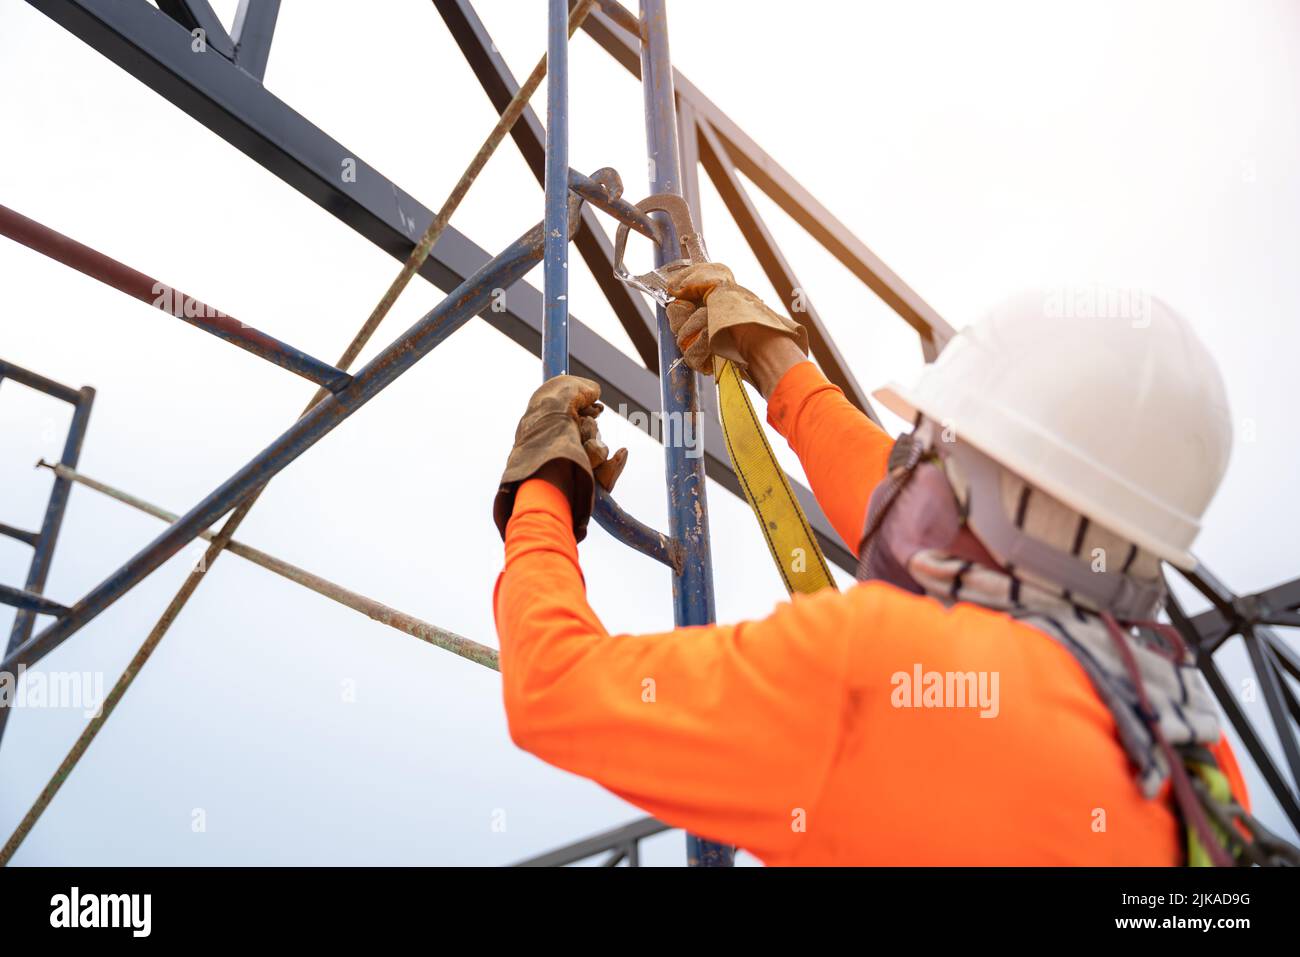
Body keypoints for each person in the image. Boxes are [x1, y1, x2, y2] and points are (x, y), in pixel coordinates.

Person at [490, 263, 1262, 865]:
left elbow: (555, 685)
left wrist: (545, 488)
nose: (908, 478)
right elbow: (916, 518)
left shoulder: (869, 673)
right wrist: (775, 360)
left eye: (933, 454)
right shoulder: (1187, 742)